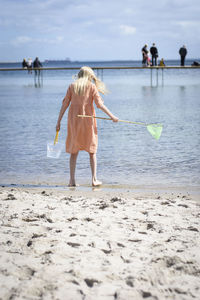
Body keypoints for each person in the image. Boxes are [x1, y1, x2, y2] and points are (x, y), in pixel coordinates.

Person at [56, 66, 118, 187]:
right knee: (92, 151)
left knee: (74, 152)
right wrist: (112, 116)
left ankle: (72, 181)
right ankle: (94, 179)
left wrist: (58, 122)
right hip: (88, 122)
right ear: (89, 76)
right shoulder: (91, 86)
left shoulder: (72, 86)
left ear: (79, 75)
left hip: (74, 122)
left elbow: (64, 105)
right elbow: (99, 105)